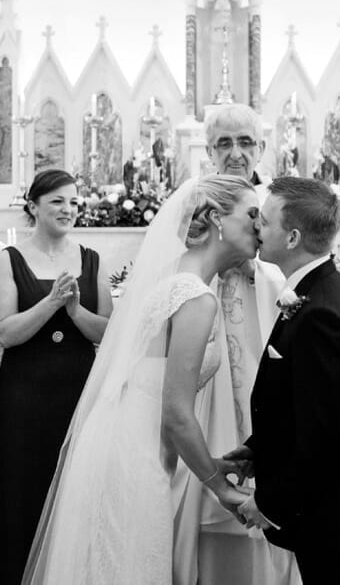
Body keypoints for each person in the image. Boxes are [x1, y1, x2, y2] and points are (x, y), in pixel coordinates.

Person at [22, 174, 263, 584]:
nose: (260, 226)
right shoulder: (195, 297)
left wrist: (212, 463)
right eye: (252, 214)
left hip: (121, 440)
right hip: (136, 457)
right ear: (216, 219)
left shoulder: (172, 276)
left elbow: (152, 391)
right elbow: (175, 414)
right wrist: (219, 486)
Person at [224, 177, 340, 584]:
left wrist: (268, 502)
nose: (256, 229)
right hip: (330, 507)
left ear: (293, 236)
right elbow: (303, 401)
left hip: (333, 513)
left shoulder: (320, 312)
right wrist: (257, 450)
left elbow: (325, 433)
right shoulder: (325, 291)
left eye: (264, 221)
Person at [176, 103, 292, 585]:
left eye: (246, 142)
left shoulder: (282, 201)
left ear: (262, 147)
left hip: (262, 318)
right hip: (203, 351)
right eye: (224, 143)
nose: (236, 153)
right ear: (208, 149)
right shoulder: (189, 202)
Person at [0, 169, 111, 585]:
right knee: (23, 486)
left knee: (74, 487)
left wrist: (77, 312)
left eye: (74, 202)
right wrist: (50, 303)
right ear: (33, 207)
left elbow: (110, 334)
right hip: (23, 395)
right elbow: (7, 333)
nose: (69, 210)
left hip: (79, 391)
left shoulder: (91, 259)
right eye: (58, 202)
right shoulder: (9, 260)